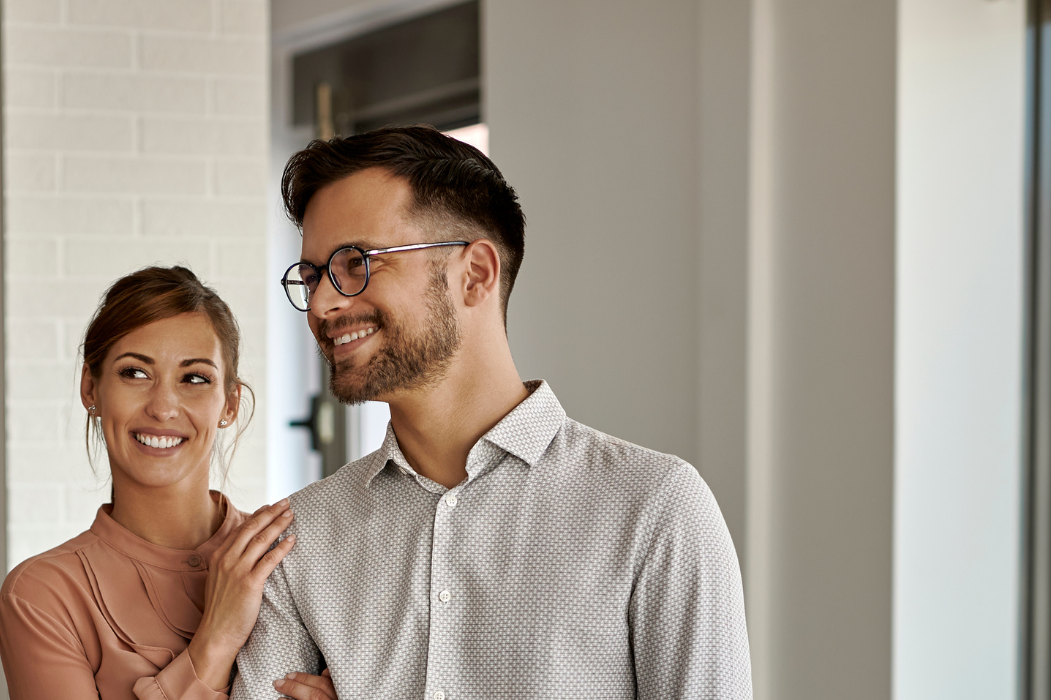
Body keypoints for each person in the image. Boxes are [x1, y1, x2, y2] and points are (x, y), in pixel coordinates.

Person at [235, 126, 753, 699]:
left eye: (356, 262)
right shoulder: (297, 538)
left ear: (476, 274)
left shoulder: (656, 511)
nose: (324, 302)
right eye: (311, 276)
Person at [0, 267, 338, 700]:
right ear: (90, 389)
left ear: (229, 404)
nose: (163, 407)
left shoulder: (292, 557)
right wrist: (215, 641)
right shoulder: (43, 597)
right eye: (135, 373)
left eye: (195, 378)